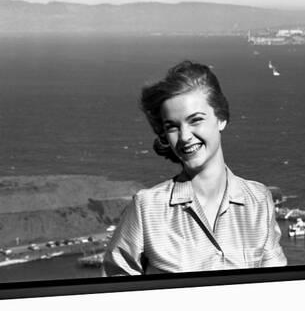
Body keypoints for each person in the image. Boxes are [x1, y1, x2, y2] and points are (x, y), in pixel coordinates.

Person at [103, 61, 286, 275]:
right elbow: (115, 292)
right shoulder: (146, 209)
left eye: (195, 120)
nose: (184, 136)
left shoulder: (259, 201)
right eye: (172, 127)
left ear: (221, 118)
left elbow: (275, 286)